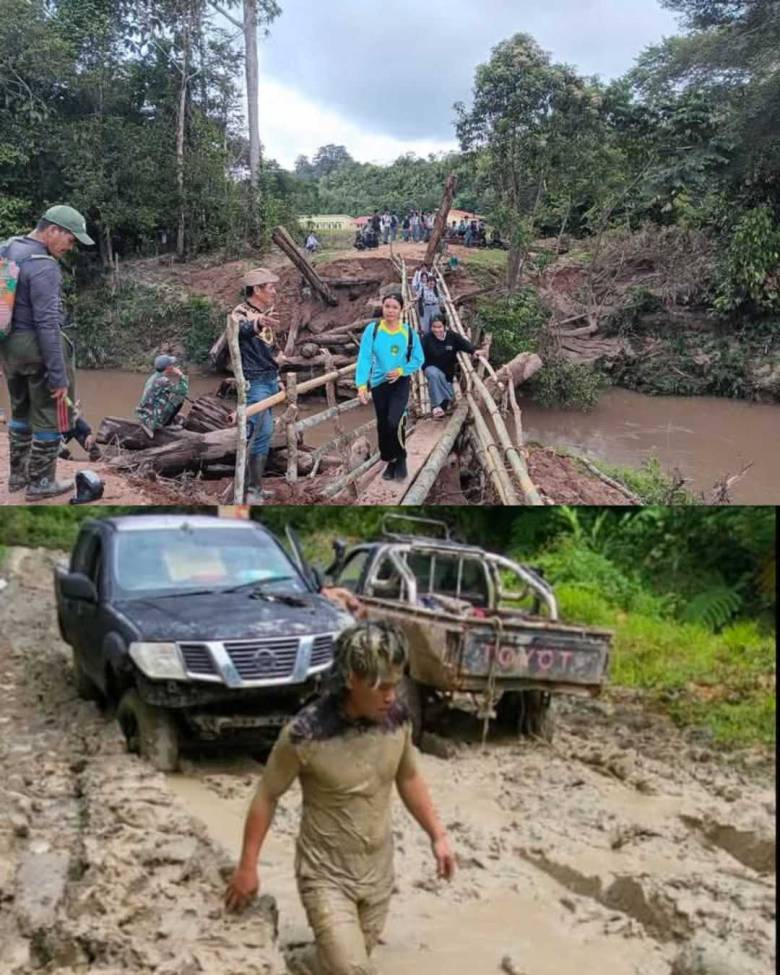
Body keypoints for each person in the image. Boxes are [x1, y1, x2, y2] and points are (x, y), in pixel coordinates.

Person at [225, 621, 456, 974]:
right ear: (351, 678)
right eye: (381, 687)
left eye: (395, 684)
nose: (391, 696)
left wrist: (438, 835)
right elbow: (267, 795)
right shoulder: (305, 733)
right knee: (353, 970)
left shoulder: (397, 719)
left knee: (345, 961)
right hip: (325, 875)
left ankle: (298, 964)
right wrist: (247, 866)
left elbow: (408, 777)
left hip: (379, 873)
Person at [0, 204, 94, 499]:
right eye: (70, 238)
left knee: (20, 409)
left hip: (9, 347)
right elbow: (47, 324)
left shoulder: (9, 248)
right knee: (49, 414)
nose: (71, 245)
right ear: (52, 230)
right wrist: (58, 375)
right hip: (35, 348)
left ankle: (17, 476)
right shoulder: (43, 264)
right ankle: (41, 483)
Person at [230, 268, 286, 503]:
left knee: (264, 432)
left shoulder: (266, 312)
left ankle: (255, 488)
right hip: (254, 381)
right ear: (257, 290)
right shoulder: (239, 313)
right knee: (258, 433)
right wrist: (259, 323)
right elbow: (242, 330)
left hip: (269, 378)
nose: (274, 291)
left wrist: (279, 374)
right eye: (270, 287)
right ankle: (250, 491)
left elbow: (270, 348)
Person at [355, 290, 423, 482]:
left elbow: (419, 358)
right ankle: (390, 460)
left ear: (401, 309)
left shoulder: (408, 333)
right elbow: (365, 358)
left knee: (395, 421)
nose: (390, 311)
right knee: (383, 425)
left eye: (395, 307)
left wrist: (402, 370)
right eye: (387, 306)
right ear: (382, 307)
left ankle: (401, 458)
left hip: (400, 383)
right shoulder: (373, 330)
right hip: (378, 383)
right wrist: (361, 385)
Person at [422, 314, 486, 418]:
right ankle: (435, 406)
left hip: (447, 373)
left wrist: (473, 351)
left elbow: (464, 343)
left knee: (446, 400)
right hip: (431, 368)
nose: (437, 330)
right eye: (434, 327)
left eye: (439, 327)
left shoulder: (452, 337)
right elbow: (418, 352)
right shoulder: (427, 338)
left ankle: (442, 406)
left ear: (445, 326)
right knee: (434, 375)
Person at [135, 355, 189, 437]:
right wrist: (181, 375)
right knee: (179, 398)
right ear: (168, 368)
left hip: (144, 415)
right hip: (152, 420)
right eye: (171, 365)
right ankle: (166, 424)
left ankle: (163, 419)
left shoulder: (154, 377)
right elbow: (183, 390)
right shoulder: (163, 381)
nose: (173, 366)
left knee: (169, 397)